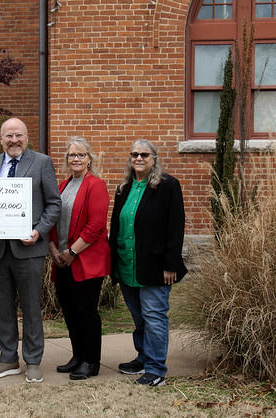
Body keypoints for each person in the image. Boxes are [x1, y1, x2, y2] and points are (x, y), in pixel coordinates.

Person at [0, 117, 61, 383]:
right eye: (8, 136)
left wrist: (38, 231)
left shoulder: (41, 163)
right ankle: (7, 358)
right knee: (3, 308)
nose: (13, 141)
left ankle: (33, 361)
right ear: (0, 139)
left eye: (18, 135)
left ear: (26, 137)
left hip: (29, 249)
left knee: (30, 307)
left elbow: (53, 204)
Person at [109, 139, 187, 387]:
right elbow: (117, 226)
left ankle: (155, 369)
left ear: (154, 158)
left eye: (144, 154)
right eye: (134, 154)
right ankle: (143, 358)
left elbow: (175, 227)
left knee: (154, 316)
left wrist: (171, 264)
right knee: (139, 317)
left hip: (156, 267)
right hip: (127, 264)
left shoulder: (168, 186)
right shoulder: (124, 188)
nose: (138, 158)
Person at [48, 137, 111, 380]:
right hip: (62, 260)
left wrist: (73, 252)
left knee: (86, 312)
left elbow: (96, 226)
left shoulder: (96, 185)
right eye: (72, 155)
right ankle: (77, 356)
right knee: (70, 310)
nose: (76, 159)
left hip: (85, 260)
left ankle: (91, 361)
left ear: (89, 159)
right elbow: (52, 219)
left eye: (81, 155)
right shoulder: (63, 185)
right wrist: (54, 250)